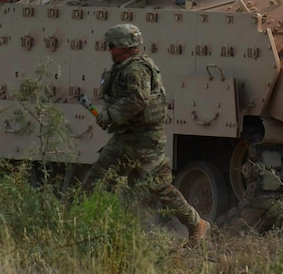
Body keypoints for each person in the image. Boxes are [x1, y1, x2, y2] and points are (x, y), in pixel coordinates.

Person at [83, 23, 210, 246]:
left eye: (112, 46)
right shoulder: (124, 66)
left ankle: (196, 224)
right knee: (98, 181)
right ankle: (88, 229)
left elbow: (137, 99)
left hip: (146, 139)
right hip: (125, 137)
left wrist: (110, 116)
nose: (109, 50)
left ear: (124, 46)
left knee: (158, 186)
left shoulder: (136, 69)